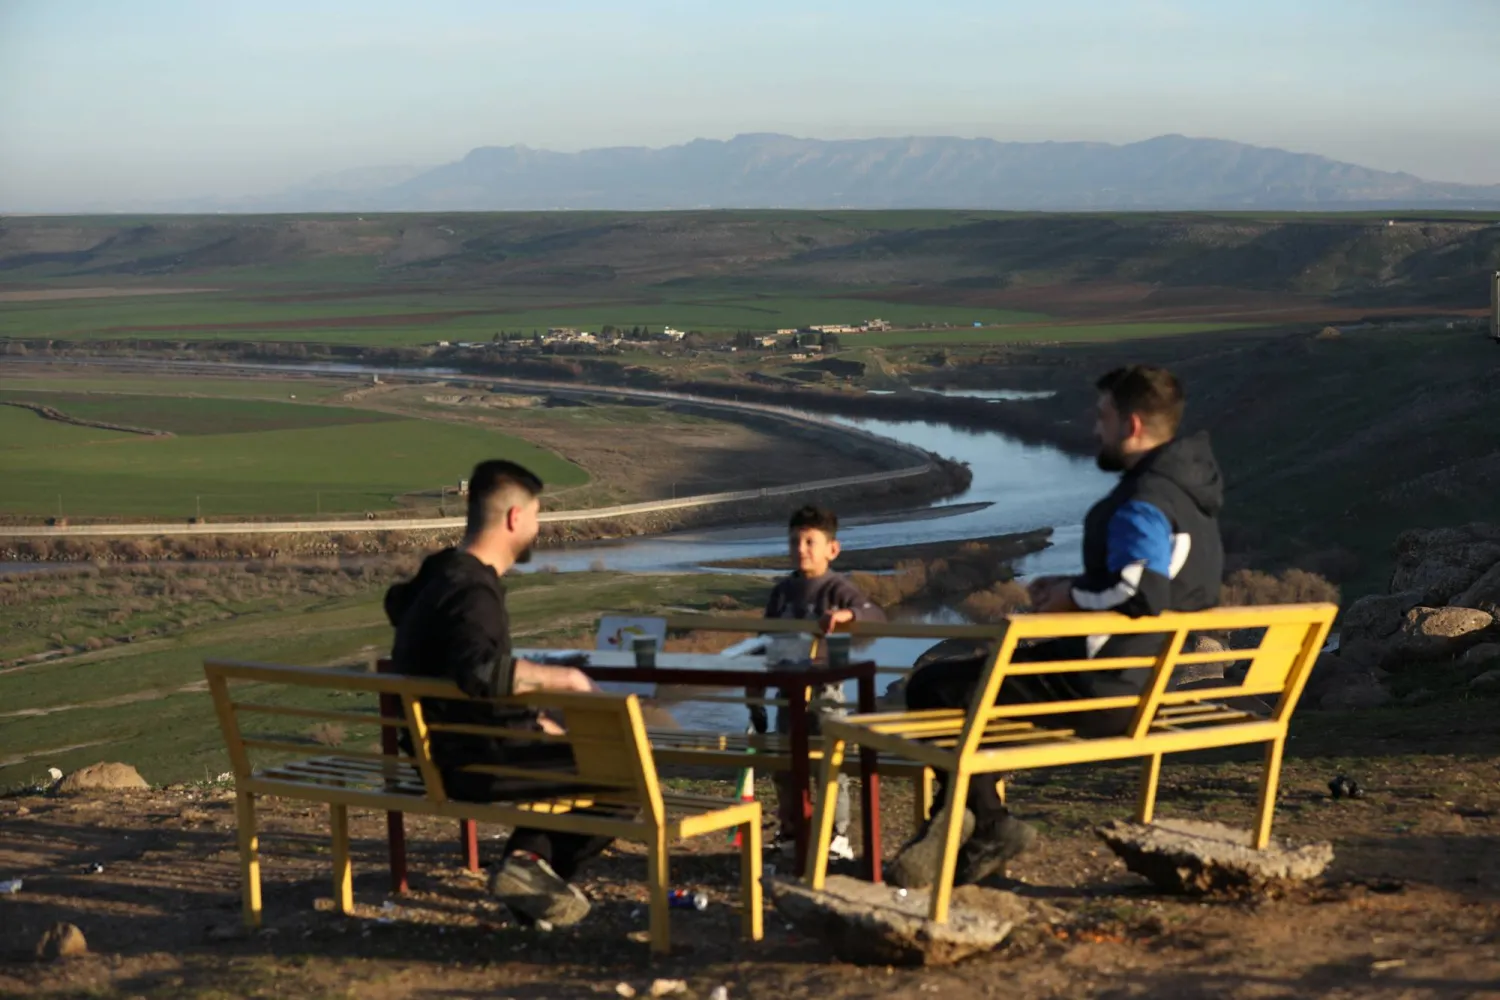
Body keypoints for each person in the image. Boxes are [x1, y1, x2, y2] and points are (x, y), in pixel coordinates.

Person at [890, 365, 1225, 888]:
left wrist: (1070, 595)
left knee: (935, 686)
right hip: (1150, 684)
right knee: (976, 690)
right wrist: (1075, 583)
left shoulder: (1145, 500)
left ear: (1131, 425)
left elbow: (1142, 590)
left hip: (1102, 689)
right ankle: (967, 822)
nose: (1096, 429)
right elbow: (1157, 582)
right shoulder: (1193, 499)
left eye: (1103, 417)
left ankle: (983, 821)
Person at [384, 459, 610, 927]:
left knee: (571, 748)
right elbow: (478, 670)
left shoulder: (439, 575)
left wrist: (532, 722)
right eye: (536, 516)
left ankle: (526, 868)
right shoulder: (472, 592)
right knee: (616, 775)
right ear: (514, 519)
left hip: (439, 748)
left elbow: (408, 617)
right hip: (468, 763)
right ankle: (530, 881)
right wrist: (564, 680)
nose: (538, 527)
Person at [754, 504, 886, 860]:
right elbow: (763, 641)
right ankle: (793, 831)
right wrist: (756, 694)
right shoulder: (781, 592)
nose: (801, 549)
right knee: (785, 764)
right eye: (795, 541)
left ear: (832, 548)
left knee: (830, 764)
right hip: (786, 690)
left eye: (810, 541)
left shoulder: (837, 588)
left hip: (827, 692)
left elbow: (875, 614)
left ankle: (835, 836)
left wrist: (848, 614)